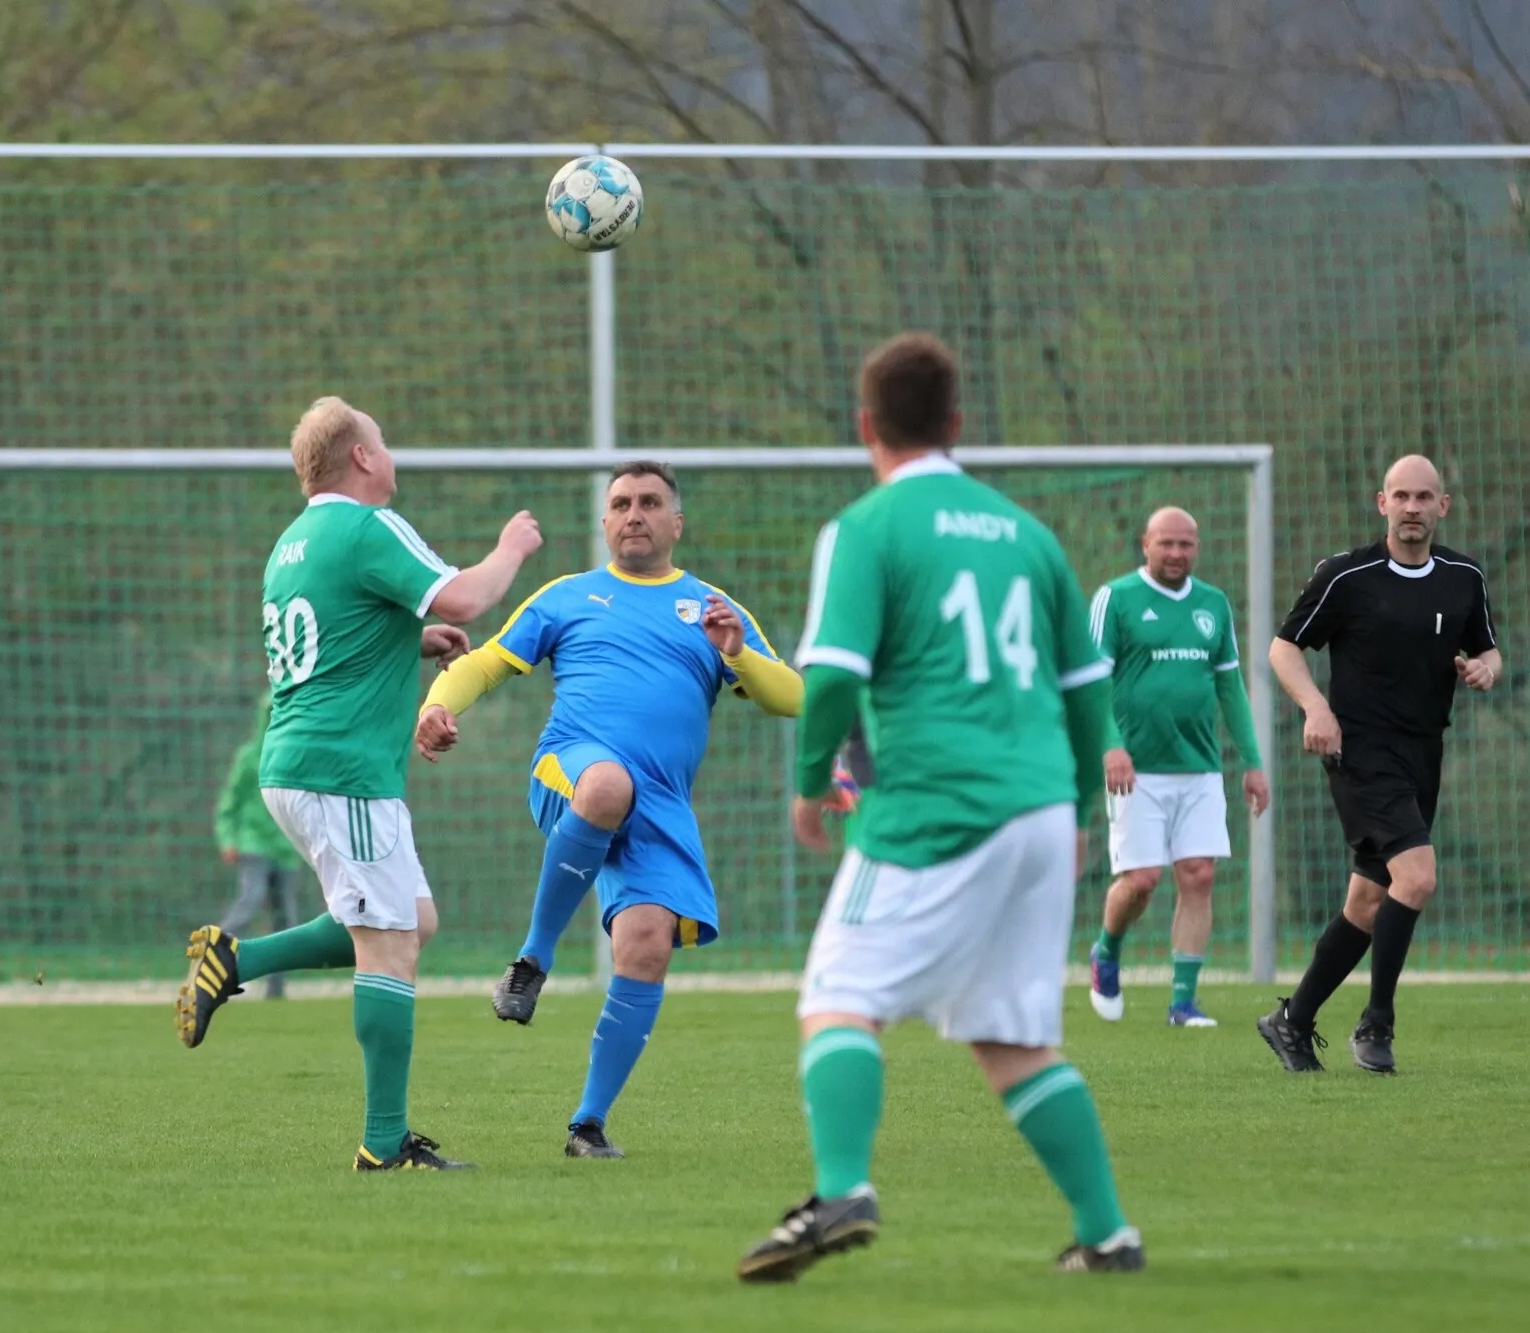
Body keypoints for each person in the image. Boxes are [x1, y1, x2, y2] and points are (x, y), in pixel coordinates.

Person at [738, 332, 1141, 1283]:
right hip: (1039, 809)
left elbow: (834, 675)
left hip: (933, 808)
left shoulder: (866, 528)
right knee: (1014, 1039)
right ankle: (1108, 1235)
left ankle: (842, 1188)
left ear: (865, 426)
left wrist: (810, 782)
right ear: (957, 423)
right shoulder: (1027, 533)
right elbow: (1087, 689)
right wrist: (1079, 813)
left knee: (838, 998)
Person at [176, 396, 541, 1172]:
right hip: (342, 772)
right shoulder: (367, 525)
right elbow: (468, 595)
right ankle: (384, 1142)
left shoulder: (292, 543)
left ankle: (234, 961)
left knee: (413, 920)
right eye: (383, 440)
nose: (390, 453)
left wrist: (411, 639)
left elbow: (336, 642)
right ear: (363, 457)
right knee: (391, 943)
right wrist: (511, 547)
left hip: (300, 764)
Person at [415, 459, 800, 1159]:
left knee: (647, 945)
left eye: (650, 502)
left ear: (676, 523)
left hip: (661, 806)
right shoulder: (568, 595)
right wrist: (437, 705)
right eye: (621, 503)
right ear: (604, 522)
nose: (634, 514)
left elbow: (792, 697)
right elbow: (487, 661)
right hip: (572, 770)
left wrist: (739, 655)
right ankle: (533, 957)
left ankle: (587, 1127)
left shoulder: (713, 609)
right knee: (606, 787)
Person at [1256, 454, 1500, 1075]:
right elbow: (1283, 649)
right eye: (1402, 496)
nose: (1412, 507)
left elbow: (1488, 649)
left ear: (1443, 505)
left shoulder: (1464, 576)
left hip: (1424, 751)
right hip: (1360, 749)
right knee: (1415, 878)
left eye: (1424, 497)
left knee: (1368, 901)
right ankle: (1377, 1023)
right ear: (1382, 503)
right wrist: (1316, 707)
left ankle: (1292, 1021)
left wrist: (1485, 669)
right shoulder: (1347, 576)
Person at [1086, 507, 1271, 1027]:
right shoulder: (1116, 598)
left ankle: (1183, 1004)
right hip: (1135, 769)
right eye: (1165, 543)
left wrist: (1253, 762)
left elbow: (1230, 686)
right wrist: (1111, 746)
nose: (1175, 553)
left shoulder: (1213, 604)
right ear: (1146, 543)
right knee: (1142, 880)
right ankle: (1107, 950)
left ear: (1197, 547)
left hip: (1200, 767)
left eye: (1185, 544)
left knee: (1199, 875)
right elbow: (1092, 683)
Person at [212, 693, 299, 999]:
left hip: (287, 848)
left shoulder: (296, 756)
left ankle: (276, 989)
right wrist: (228, 839)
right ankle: (213, 955)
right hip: (254, 843)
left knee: (285, 921)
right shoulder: (249, 758)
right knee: (250, 900)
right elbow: (229, 803)